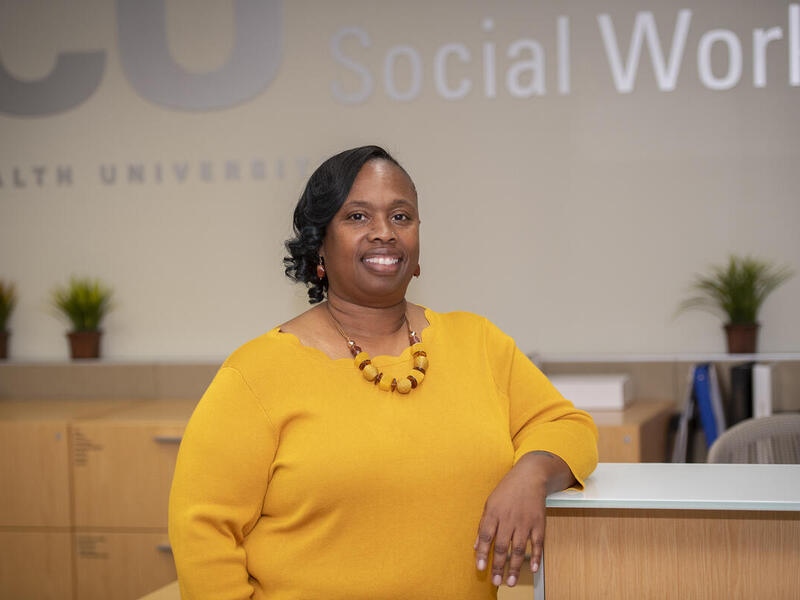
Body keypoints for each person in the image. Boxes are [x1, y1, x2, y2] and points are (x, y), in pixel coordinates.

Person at [168, 145, 598, 599]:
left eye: (401, 217)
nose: (384, 233)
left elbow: (568, 426)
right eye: (356, 217)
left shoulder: (478, 342)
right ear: (319, 244)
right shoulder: (256, 372)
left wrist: (530, 474)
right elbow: (203, 530)